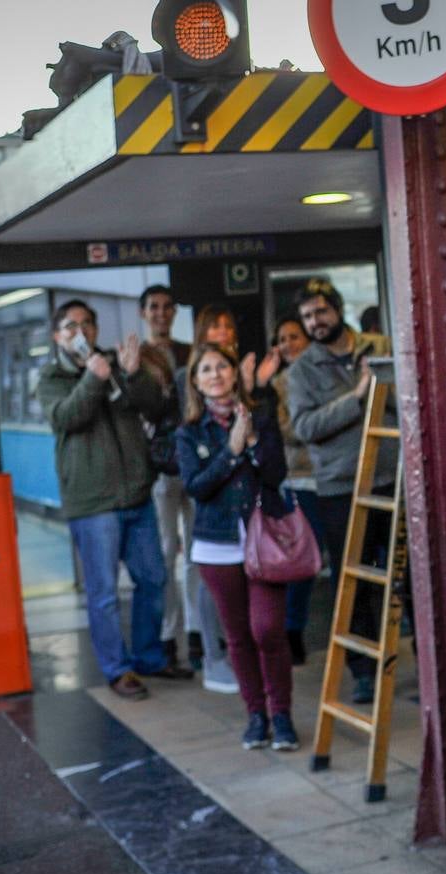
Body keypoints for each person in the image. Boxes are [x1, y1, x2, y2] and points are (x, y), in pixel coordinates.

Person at [37, 299, 190, 699]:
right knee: (103, 593)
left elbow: (152, 407)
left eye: (87, 324)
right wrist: (92, 380)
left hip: (136, 494)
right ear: (58, 336)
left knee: (153, 579)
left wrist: (135, 373)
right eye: (71, 326)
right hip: (93, 503)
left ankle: (149, 657)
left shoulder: (115, 363)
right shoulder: (52, 377)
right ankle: (116, 669)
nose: (81, 332)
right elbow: (66, 418)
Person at [174, 343, 299, 751]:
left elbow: (277, 472)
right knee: (239, 635)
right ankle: (256, 716)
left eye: (222, 367)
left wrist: (252, 445)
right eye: (205, 369)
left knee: (268, 629)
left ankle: (281, 714)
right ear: (195, 381)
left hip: (265, 540)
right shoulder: (188, 433)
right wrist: (231, 451)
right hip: (217, 546)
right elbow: (196, 487)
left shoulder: (259, 416)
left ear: (233, 373)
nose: (215, 374)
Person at [287, 280, 392, 703]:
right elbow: (305, 427)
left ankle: (423, 663)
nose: (315, 322)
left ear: (336, 310)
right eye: (307, 317)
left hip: (394, 481)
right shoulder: (301, 370)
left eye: (320, 312)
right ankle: (363, 672)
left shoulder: (375, 347)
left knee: (404, 580)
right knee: (356, 586)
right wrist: (356, 397)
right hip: (341, 489)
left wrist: (379, 384)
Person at [136, 284, 195, 671]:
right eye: (154, 307)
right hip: (158, 466)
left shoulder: (190, 353)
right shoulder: (135, 357)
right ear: (144, 313)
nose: (161, 313)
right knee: (163, 555)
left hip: (193, 462)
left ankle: (199, 633)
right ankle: (167, 638)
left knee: (197, 555)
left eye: (167, 307)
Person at [270, 317, 327, 665]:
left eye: (295, 336)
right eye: (283, 338)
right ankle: (293, 628)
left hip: (337, 476)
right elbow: (290, 430)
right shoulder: (278, 384)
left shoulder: (326, 373)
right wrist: (328, 423)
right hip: (300, 479)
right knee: (305, 561)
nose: (289, 342)